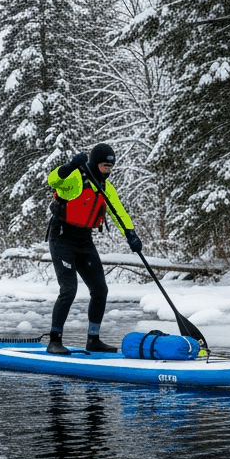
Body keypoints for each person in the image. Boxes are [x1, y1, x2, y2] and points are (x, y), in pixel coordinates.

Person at [45, 143, 142, 355]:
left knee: (100, 290)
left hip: (84, 240)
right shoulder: (76, 178)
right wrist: (70, 166)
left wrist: (131, 234)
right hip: (62, 236)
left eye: (110, 167)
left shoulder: (106, 188)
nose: (108, 170)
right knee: (69, 288)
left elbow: (119, 213)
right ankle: (54, 340)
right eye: (104, 165)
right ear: (95, 163)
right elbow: (53, 179)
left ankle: (93, 339)